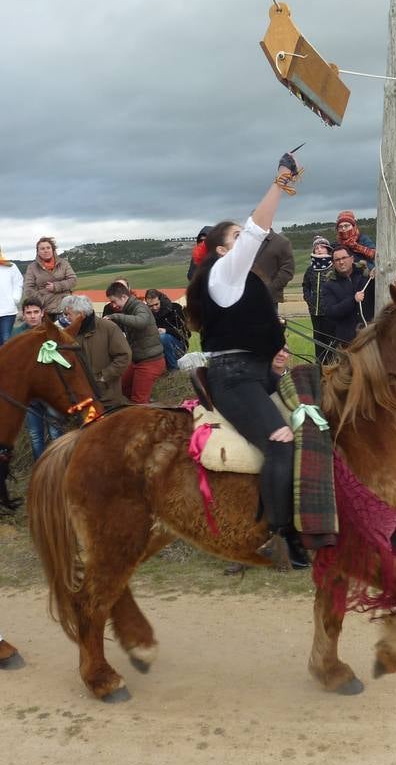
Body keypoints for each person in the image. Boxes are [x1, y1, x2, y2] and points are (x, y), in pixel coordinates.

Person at [184, 153, 306, 568]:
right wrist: (281, 183)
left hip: (256, 374)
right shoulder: (223, 273)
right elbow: (258, 228)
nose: (245, 241)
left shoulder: (247, 282)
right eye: (235, 238)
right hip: (234, 379)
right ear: (221, 249)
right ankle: (280, 537)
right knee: (281, 448)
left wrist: (273, 361)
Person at [59, 294, 131, 410]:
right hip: (83, 399)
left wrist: (104, 376)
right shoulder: (68, 333)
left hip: (108, 399)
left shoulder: (109, 328)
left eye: (68, 315)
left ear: (80, 314)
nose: (66, 318)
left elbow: (124, 356)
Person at [13, 298, 63, 458]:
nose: (33, 316)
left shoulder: (52, 331)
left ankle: (58, 469)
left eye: (36, 312)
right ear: (23, 314)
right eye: (29, 313)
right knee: (35, 436)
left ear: (42, 313)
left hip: (51, 394)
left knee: (56, 434)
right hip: (30, 395)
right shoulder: (17, 334)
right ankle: (39, 471)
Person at [104, 281, 166, 404]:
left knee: (139, 401)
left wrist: (116, 317)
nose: (113, 305)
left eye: (114, 301)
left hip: (150, 361)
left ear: (123, 297)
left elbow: (141, 322)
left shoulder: (139, 307)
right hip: (137, 360)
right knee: (121, 388)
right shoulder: (128, 309)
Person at [320, 244, 374, 346]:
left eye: (344, 258)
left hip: (371, 336)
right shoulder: (329, 285)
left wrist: (378, 277)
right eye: (337, 260)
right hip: (347, 342)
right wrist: (353, 300)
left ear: (352, 259)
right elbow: (331, 312)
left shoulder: (366, 276)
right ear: (333, 263)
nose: (341, 262)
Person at [22, 236, 77, 319]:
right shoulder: (32, 267)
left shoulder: (63, 263)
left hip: (64, 305)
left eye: (48, 248)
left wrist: (56, 286)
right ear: (38, 251)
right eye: (42, 248)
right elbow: (28, 289)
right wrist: (41, 300)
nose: (46, 250)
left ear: (53, 249)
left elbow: (73, 280)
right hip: (45, 308)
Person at [301, 237, 336, 363]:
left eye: (322, 247)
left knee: (331, 344)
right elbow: (305, 286)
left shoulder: (334, 268)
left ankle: (332, 370)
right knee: (318, 342)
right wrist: (309, 300)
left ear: (328, 249)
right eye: (316, 248)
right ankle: (319, 371)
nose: (319, 250)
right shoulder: (310, 270)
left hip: (330, 313)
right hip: (314, 313)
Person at [144, 289, 190, 371]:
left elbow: (187, 334)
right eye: (151, 306)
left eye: (156, 304)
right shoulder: (147, 315)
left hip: (178, 346)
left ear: (161, 300)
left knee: (163, 338)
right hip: (157, 348)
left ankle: (174, 370)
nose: (154, 308)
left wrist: (167, 331)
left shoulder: (175, 309)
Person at [251, 228, 295, 307]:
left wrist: (269, 289)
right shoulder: (244, 241)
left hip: (268, 300)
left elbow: (287, 271)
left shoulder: (282, 242)